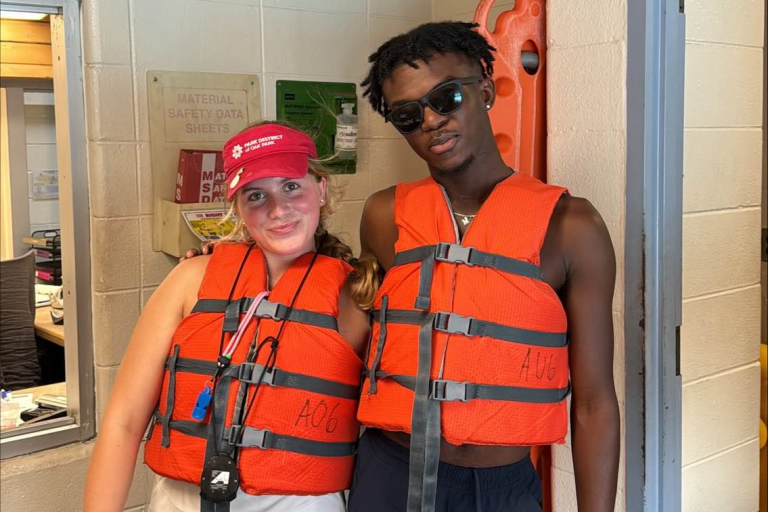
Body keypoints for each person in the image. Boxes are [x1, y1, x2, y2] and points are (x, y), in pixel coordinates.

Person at [348, 22, 620, 512]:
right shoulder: (383, 215)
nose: (429, 120)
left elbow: (595, 402)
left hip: (497, 489)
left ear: (487, 91)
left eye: (446, 98)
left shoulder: (572, 227)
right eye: (408, 115)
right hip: (387, 473)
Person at [83, 121, 372, 512]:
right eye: (256, 195)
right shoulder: (191, 279)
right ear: (237, 207)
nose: (278, 209)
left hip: (302, 502)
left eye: (291, 186)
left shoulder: (357, 298)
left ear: (320, 190)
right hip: (182, 500)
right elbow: (124, 422)